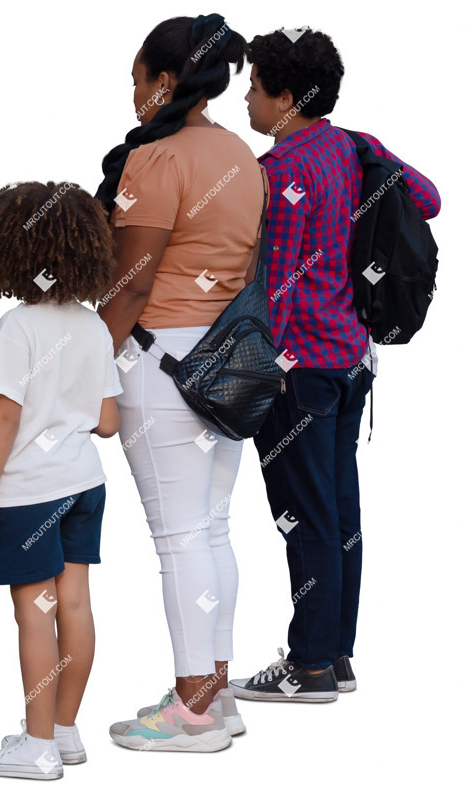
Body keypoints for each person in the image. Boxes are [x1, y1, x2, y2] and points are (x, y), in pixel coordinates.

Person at [230, 28, 441, 702]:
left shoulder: (282, 170)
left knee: (306, 514)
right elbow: (429, 198)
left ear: (286, 97)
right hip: (353, 359)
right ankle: (337, 650)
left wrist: (260, 371)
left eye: (256, 86)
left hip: (303, 370)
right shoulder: (357, 145)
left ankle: (311, 665)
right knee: (340, 509)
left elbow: (279, 290)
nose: (247, 97)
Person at [95, 13, 267, 751]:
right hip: (222, 359)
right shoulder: (241, 154)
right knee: (212, 528)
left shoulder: (156, 161)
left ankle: (191, 713)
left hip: (156, 358)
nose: (132, 94)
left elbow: (130, 286)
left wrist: (86, 367)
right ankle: (214, 690)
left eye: (137, 79)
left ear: (166, 80)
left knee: (178, 537)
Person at [0, 181, 123, 778]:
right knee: (75, 606)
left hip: (30, 491)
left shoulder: (19, 326)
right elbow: (108, 423)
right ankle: (63, 731)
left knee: (34, 612)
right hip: (85, 483)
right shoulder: (91, 327)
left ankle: (35, 750)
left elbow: (5, 418)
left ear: (14, 250)